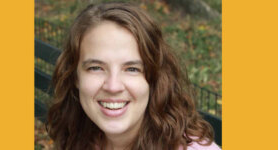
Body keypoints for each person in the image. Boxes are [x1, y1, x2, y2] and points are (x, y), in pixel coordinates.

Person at [47, 2, 221, 150]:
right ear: (75, 76)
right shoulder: (78, 136)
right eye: (95, 68)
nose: (113, 86)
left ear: (155, 78)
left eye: (132, 69)